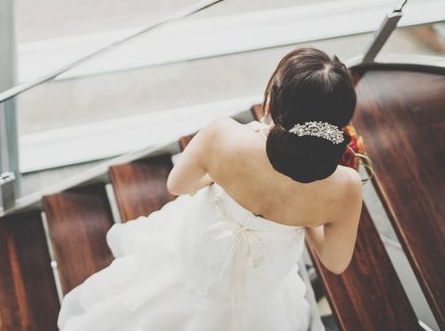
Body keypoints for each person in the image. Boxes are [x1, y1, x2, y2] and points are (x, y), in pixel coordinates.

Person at [58, 47, 363, 331]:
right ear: (340, 125)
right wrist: (308, 217)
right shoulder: (345, 186)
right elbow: (335, 262)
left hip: (194, 263)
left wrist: (221, 176)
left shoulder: (223, 135)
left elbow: (178, 185)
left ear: (275, 98)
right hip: (259, 295)